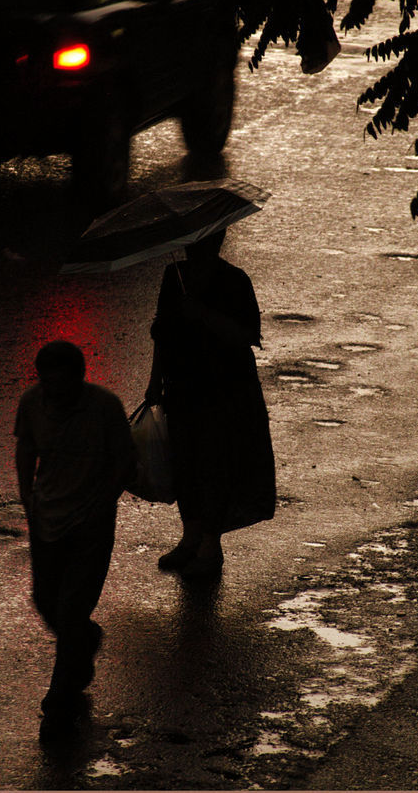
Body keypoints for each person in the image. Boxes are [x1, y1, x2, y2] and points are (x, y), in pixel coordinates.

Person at [14, 340, 136, 743]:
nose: (53, 391)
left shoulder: (104, 407)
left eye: (61, 382)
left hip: (90, 524)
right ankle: (84, 640)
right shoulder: (32, 403)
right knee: (46, 600)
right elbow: (25, 448)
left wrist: (104, 501)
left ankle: (59, 702)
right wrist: (27, 497)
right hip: (47, 518)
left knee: (70, 608)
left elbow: (123, 459)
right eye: (47, 382)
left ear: (79, 379)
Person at [145, 230, 276, 578]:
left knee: (217, 464)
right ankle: (190, 537)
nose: (193, 247)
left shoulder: (234, 280)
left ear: (216, 242)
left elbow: (248, 335)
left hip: (225, 388)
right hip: (182, 386)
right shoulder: (174, 276)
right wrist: (154, 381)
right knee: (185, 461)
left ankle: (210, 543)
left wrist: (202, 314)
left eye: (202, 241)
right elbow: (161, 331)